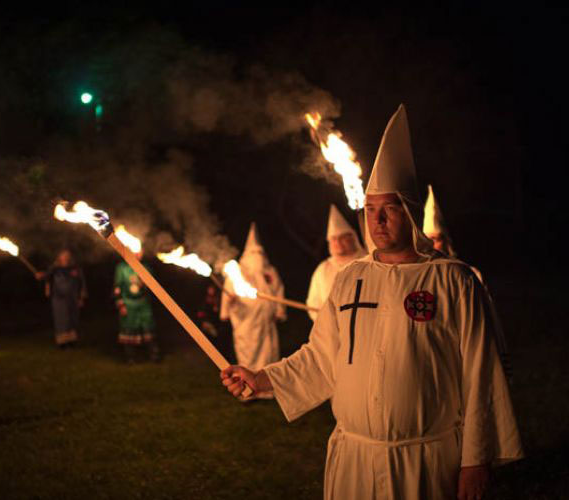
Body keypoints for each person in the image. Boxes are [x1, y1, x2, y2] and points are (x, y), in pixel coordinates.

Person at [222, 104, 523, 499]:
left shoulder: (453, 280)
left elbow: (480, 375)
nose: (377, 222)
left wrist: (474, 460)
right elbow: (321, 356)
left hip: (427, 462)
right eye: (371, 210)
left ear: (411, 212)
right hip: (355, 460)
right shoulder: (349, 280)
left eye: (389, 210)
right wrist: (262, 379)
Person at [423, 184, 513, 380]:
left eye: (436, 239)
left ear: (445, 241)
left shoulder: (469, 273)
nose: (432, 245)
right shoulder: (416, 277)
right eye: (427, 239)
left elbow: (486, 316)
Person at [220, 223, 285, 399]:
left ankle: (267, 390)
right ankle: (248, 389)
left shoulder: (270, 272)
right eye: (253, 253)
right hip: (246, 322)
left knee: (268, 353)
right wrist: (226, 307)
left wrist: (279, 310)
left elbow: (278, 290)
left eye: (259, 253)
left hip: (266, 322)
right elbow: (228, 293)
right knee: (248, 353)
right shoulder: (239, 272)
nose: (257, 257)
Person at [306, 204, 367, 321]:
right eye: (334, 239)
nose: (338, 242)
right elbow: (313, 303)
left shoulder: (368, 262)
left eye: (342, 237)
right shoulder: (323, 269)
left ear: (352, 237)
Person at [114, 249, 160, 363]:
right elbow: (117, 287)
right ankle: (130, 357)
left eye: (140, 252)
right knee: (128, 328)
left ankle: (154, 356)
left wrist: (144, 284)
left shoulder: (146, 268)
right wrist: (121, 304)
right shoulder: (122, 268)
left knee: (148, 327)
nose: (138, 254)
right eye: (135, 251)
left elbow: (152, 286)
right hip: (128, 303)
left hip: (143, 303)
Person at [39, 249, 87, 349]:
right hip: (58, 299)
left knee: (72, 319)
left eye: (67, 255)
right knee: (61, 320)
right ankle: (62, 342)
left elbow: (82, 283)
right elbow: (46, 277)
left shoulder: (75, 269)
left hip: (73, 298)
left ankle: (71, 341)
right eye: (63, 255)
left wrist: (81, 297)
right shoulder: (54, 269)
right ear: (59, 257)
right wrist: (41, 276)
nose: (65, 257)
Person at [423, 183, 457, 257]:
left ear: (446, 241)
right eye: (426, 240)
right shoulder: (419, 268)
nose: (430, 246)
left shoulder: (460, 268)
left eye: (434, 240)